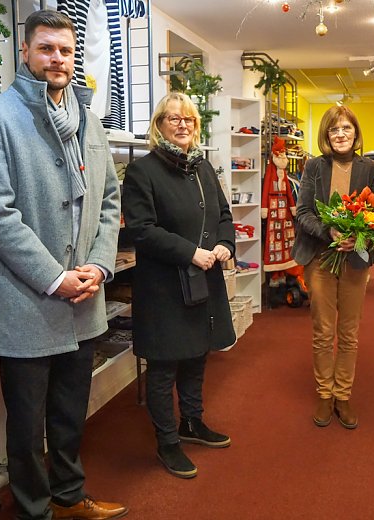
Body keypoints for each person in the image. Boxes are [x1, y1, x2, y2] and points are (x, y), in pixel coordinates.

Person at [0, 10, 126, 520]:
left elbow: (108, 203)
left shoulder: (91, 121)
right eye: (47, 49)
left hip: (86, 296)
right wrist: (55, 277)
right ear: (26, 52)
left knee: (70, 412)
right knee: (27, 420)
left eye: (66, 51)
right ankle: (35, 510)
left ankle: (70, 497)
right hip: (26, 298)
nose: (58, 59)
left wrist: (99, 267)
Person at [121, 92, 235, 479]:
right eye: (174, 118)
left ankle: (192, 421)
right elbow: (142, 230)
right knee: (164, 366)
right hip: (164, 285)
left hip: (202, 280)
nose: (183, 124)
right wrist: (190, 253)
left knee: (197, 355)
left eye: (189, 119)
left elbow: (223, 213)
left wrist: (224, 243)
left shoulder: (201, 168)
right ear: (159, 125)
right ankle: (167, 441)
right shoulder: (143, 171)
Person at [292, 105, 374, 429]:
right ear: (326, 135)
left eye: (346, 128)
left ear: (356, 133)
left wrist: (357, 238)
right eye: (334, 129)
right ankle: (324, 393)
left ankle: (343, 395)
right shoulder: (314, 166)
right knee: (323, 331)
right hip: (319, 258)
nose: (341, 134)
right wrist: (328, 232)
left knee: (349, 332)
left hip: (355, 260)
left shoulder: (370, 167)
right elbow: (302, 212)